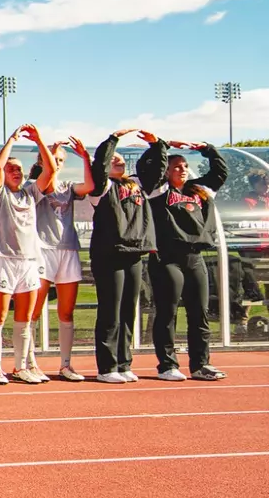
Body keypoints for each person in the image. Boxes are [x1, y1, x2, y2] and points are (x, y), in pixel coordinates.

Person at [138, 135, 228, 382]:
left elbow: (220, 173)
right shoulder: (158, 190)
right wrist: (161, 146)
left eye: (185, 165)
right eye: (176, 166)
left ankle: (201, 365)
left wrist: (207, 149)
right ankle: (167, 365)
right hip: (167, 258)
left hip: (195, 257)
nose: (183, 169)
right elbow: (148, 168)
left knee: (199, 313)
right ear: (166, 171)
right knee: (167, 313)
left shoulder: (199, 190)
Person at [0, 124, 57, 384]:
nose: (16, 172)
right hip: (3, 260)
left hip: (28, 262)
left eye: (19, 169)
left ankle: (20, 367)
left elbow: (51, 170)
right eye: (11, 168)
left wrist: (39, 140)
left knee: (24, 319)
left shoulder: (30, 193)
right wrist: (12, 140)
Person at [88, 129, 157, 383]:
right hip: (109, 256)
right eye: (114, 159)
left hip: (134, 254)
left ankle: (124, 363)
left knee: (128, 311)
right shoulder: (101, 187)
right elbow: (100, 165)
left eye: (121, 159)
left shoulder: (136, 185)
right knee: (110, 312)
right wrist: (113, 139)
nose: (119, 161)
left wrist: (156, 145)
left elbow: (157, 169)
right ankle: (107, 368)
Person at [33, 137, 95, 382]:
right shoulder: (34, 185)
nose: (56, 163)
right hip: (42, 250)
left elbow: (89, 186)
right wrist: (43, 147)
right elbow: (46, 177)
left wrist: (85, 157)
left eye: (60, 160)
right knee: (33, 311)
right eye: (52, 159)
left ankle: (66, 365)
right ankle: (28, 363)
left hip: (68, 250)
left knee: (66, 313)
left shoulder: (68, 186)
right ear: (41, 161)